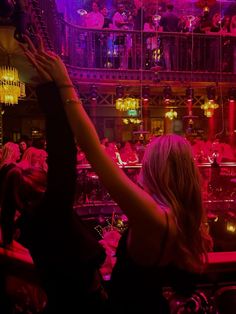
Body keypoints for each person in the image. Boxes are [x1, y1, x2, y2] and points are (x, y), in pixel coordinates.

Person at [22, 35, 213, 313]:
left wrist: (65, 84)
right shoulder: (184, 219)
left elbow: (92, 151)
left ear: (156, 169)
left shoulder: (154, 216)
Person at [17, 36, 108, 313]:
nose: (45, 161)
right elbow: (63, 154)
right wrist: (53, 88)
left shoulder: (30, 222)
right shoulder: (49, 214)